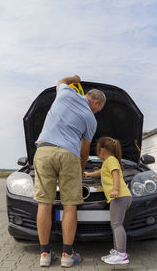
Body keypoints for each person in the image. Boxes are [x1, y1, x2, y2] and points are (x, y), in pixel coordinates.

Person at [33, 75, 106, 268]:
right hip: (69, 155)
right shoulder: (90, 119)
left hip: (44, 150)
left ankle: (45, 254)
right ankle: (67, 254)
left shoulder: (65, 93)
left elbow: (61, 81)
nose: (97, 112)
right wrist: (81, 170)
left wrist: (75, 77)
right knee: (70, 205)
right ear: (96, 102)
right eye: (99, 109)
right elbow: (84, 151)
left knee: (44, 203)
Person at [84, 136, 132, 265]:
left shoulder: (111, 160)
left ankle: (122, 254)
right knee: (115, 224)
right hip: (120, 197)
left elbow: (115, 174)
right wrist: (88, 174)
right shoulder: (108, 161)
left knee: (117, 224)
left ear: (102, 149)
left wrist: (115, 189)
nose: (97, 152)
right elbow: (100, 172)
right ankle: (117, 252)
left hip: (119, 196)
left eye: (97, 150)